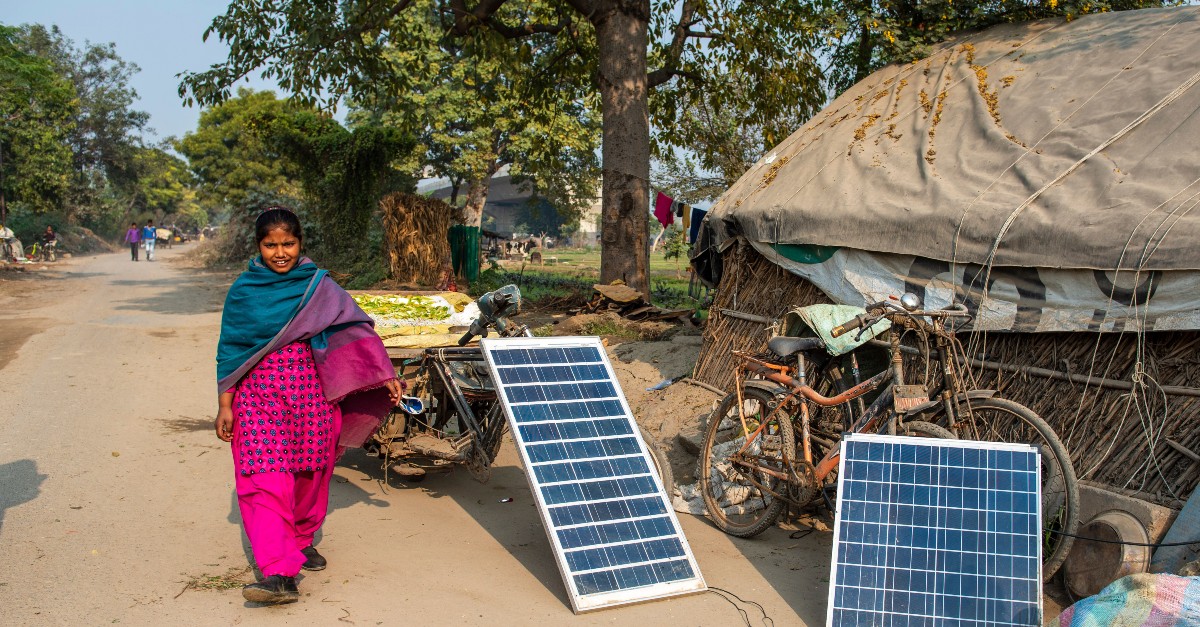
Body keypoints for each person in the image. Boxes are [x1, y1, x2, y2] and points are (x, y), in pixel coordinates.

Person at [214, 207, 402, 605]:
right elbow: (230, 350)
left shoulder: (320, 288)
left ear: (300, 244)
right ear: (258, 246)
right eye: (271, 245)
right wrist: (225, 404)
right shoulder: (244, 291)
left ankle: (300, 540)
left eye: (288, 243)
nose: (279, 252)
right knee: (263, 477)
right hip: (258, 399)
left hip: (311, 397)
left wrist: (382, 372)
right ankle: (279, 572)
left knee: (309, 474)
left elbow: (355, 328)